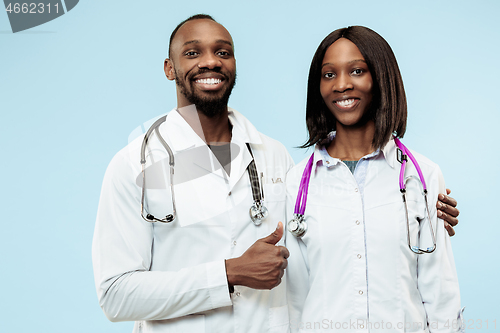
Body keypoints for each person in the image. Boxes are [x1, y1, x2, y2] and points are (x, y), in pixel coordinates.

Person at [92, 15, 459, 333]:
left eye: (223, 52)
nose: (210, 62)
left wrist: (428, 208)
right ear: (170, 68)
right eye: (192, 53)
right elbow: (115, 295)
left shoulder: (275, 158)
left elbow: (334, 236)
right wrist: (228, 273)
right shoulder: (135, 165)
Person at [286, 26, 463, 332]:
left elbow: (440, 291)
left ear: (381, 78)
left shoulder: (422, 176)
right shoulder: (296, 183)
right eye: (329, 74)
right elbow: (295, 298)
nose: (341, 85)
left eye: (357, 71)